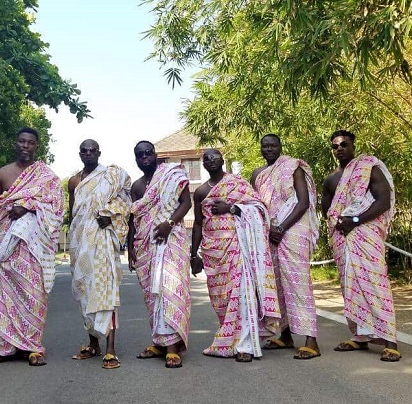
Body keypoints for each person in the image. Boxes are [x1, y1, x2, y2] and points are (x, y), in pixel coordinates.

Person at [0, 127, 64, 367]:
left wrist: (28, 206)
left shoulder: (47, 177)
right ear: (15, 143)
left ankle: (33, 347)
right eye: (22, 141)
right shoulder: (1, 174)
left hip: (33, 245)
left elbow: (57, 209)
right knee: (5, 295)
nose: (25, 145)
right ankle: (4, 347)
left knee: (34, 294)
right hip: (5, 242)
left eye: (31, 142)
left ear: (37, 146)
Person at [191, 149, 280, 363]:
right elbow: (197, 223)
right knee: (221, 299)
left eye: (215, 157)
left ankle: (245, 346)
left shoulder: (238, 183)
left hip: (238, 247)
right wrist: (193, 253)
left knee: (243, 294)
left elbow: (258, 209)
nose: (211, 161)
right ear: (203, 164)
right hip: (213, 251)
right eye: (206, 159)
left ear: (222, 160)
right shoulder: (201, 192)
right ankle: (230, 337)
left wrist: (231, 208)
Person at [322, 130, 401, 362]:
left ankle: (390, 341)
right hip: (342, 239)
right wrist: (340, 225)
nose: (340, 148)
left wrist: (355, 220)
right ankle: (360, 336)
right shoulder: (330, 179)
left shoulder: (369, 168)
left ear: (353, 145)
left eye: (344, 144)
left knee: (376, 284)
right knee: (350, 286)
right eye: (335, 146)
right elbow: (329, 211)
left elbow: (383, 201)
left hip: (365, 235)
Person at [251, 134, 320, 359]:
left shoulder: (293, 167)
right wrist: (270, 229)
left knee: (299, 284)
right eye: (265, 146)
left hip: (292, 231)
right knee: (277, 286)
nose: (269, 148)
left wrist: (281, 227)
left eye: (273, 145)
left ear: (281, 146)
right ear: (260, 149)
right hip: (269, 234)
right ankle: (285, 335)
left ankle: (311, 341)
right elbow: (254, 205)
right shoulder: (258, 175)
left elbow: (303, 202)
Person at [68, 139, 131, 370]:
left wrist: (112, 217)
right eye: (84, 150)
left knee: (106, 290)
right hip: (79, 243)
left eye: (92, 150)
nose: (88, 153)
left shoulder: (110, 177)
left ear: (99, 153)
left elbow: (126, 203)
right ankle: (92, 343)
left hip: (102, 241)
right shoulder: (74, 181)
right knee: (84, 291)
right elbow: (73, 213)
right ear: (79, 153)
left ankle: (110, 348)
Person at [129, 141, 191, 369]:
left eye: (148, 153)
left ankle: (173, 348)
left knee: (170, 290)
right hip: (145, 245)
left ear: (155, 154)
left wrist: (169, 223)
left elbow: (187, 202)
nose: (144, 157)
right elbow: (133, 219)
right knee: (152, 296)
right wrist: (131, 250)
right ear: (135, 159)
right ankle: (159, 342)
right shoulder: (136, 186)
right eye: (139, 155)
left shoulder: (172, 175)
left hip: (171, 240)